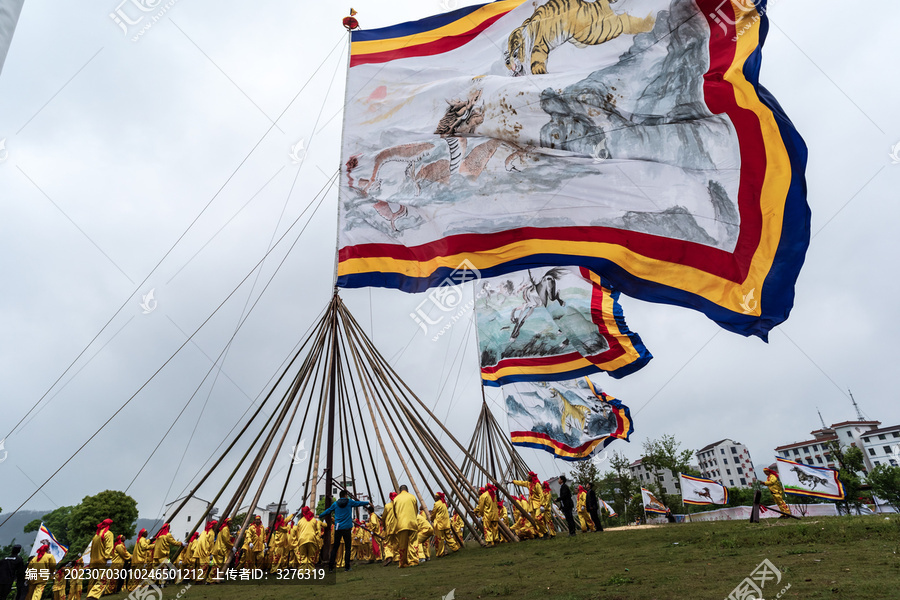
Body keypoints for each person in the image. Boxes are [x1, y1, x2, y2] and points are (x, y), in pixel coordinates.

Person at [318, 491, 373, 573]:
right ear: (345, 495)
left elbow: (328, 511)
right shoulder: (349, 502)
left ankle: (330, 568)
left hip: (338, 528)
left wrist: (319, 515)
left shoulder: (336, 504)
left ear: (340, 496)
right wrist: (368, 502)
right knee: (348, 548)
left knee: (335, 548)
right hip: (347, 528)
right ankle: (347, 567)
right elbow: (358, 503)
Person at [392, 486, 418, 568]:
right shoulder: (413, 497)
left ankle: (403, 563)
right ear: (407, 490)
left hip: (402, 524)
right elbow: (416, 510)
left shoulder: (396, 499)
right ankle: (413, 561)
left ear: (399, 490)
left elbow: (395, 513)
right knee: (413, 542)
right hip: (412, 523)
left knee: (402, 545)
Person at [86, 519, 113, 599]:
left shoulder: (96, 535)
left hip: (94, 560)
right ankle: (92, 596)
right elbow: (109, 546)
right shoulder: (108, 533)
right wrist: (108, 558)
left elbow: (92, 549)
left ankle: (89, 595)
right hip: (102, 560)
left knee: (93, 580)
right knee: (103, 579)